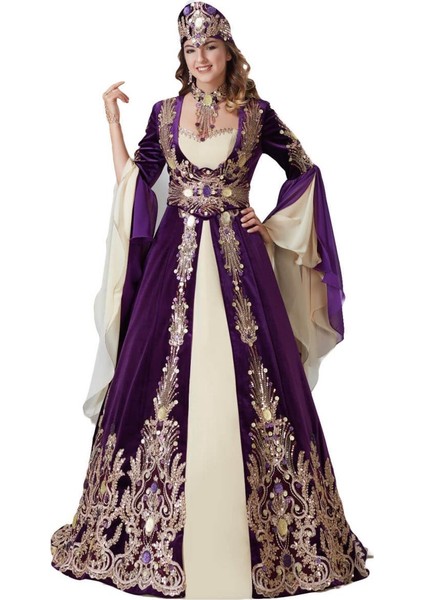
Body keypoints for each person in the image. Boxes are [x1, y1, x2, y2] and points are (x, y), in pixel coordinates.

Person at [50, 2, 372, 598]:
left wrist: (270, 225)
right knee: (156, 380)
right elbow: (134, 186)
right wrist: (112, 123)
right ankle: (146, 534)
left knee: (258, 385)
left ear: (229, 53)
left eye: (211, 47)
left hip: (240, 266)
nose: (200, 58)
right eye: (191, 49)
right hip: (171, 266)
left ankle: (273, 541)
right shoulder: (164, 114)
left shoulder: (256, 115)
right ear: (184, 56)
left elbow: (305, 171)